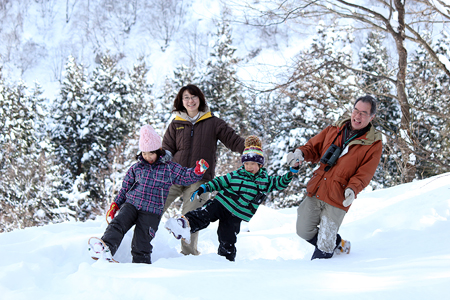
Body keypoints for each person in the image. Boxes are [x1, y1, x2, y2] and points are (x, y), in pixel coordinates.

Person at [88, 124, 209, 264]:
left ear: (159, 151)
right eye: (144, 153)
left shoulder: (169, 168)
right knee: (118, 224)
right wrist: (116, 204)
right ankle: (106, 249)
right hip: (131, 204)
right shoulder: (136, 168)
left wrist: (197, 171)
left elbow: (185, 176)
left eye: (151, 153)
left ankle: (141, 266)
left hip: (151, 211)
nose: (147, 157)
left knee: (142, 241)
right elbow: (125, 188)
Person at [164, 135, 298, 261]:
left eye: (252, 164)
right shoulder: (236, 175)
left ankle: (226, 260)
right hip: (222, 203)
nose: (249, 167)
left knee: (227, 238)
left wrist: (291, 173)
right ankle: (185, 224)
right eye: (246, 164)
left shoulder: (265, 181)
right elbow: (220, 182)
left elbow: (280, 183)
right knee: (205, 213)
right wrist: (204, 187)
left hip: (236, 215)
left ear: (260, 165)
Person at [287, 95, 382, 260]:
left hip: (339, 196)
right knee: (303, 230)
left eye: (363, 113)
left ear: (371, 117)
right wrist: (300, 153)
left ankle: (318, 270)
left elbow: (365, 173)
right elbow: (313, 148)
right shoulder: (335, 129)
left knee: (323, 248)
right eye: (356, 110)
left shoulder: (373, 143)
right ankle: (338, 243)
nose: (357, 116)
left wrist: (353, 189)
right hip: (317, 188)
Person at [162, 84, 245, 256]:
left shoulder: (213, 123)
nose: (190, 100)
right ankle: (140, 246)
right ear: (181, 101)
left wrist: (250, 148)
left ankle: (188, 255)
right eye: (186, 97)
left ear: (200, 99)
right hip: (174, 176)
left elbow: (233, 140)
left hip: (199, 179)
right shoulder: (175, 124)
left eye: (194, 97)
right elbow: (167, 150)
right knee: (153, 205)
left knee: (189, 217)